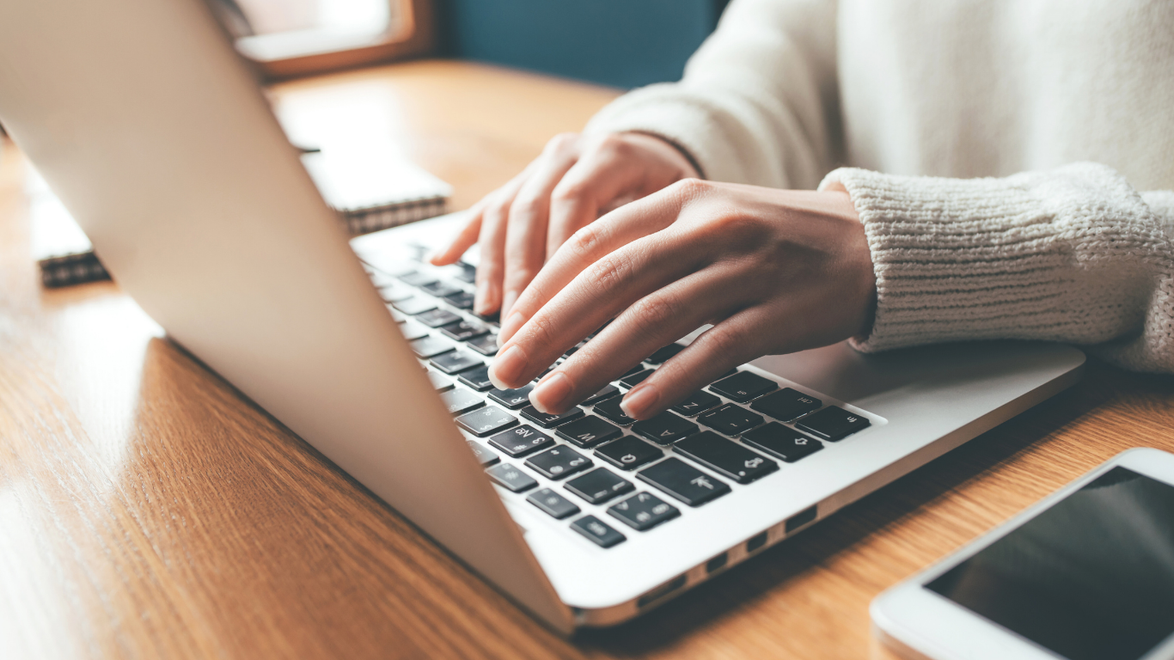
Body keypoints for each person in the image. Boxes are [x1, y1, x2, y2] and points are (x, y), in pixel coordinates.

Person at [431, 0, 1174, 421]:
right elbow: (783, 52)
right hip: (883, 377)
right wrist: (675, 144)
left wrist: (909, 249)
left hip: (1122, 426)